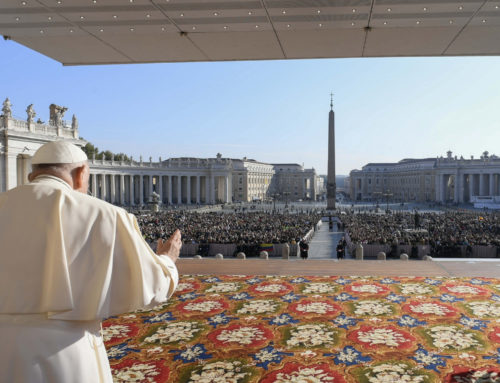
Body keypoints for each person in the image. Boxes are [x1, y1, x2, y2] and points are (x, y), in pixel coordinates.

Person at [0, 141, 182, 383]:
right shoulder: (106, 214)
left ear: (31, 175)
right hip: (67, 353)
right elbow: (156, 286)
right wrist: (167, 259)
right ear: (80, 174)